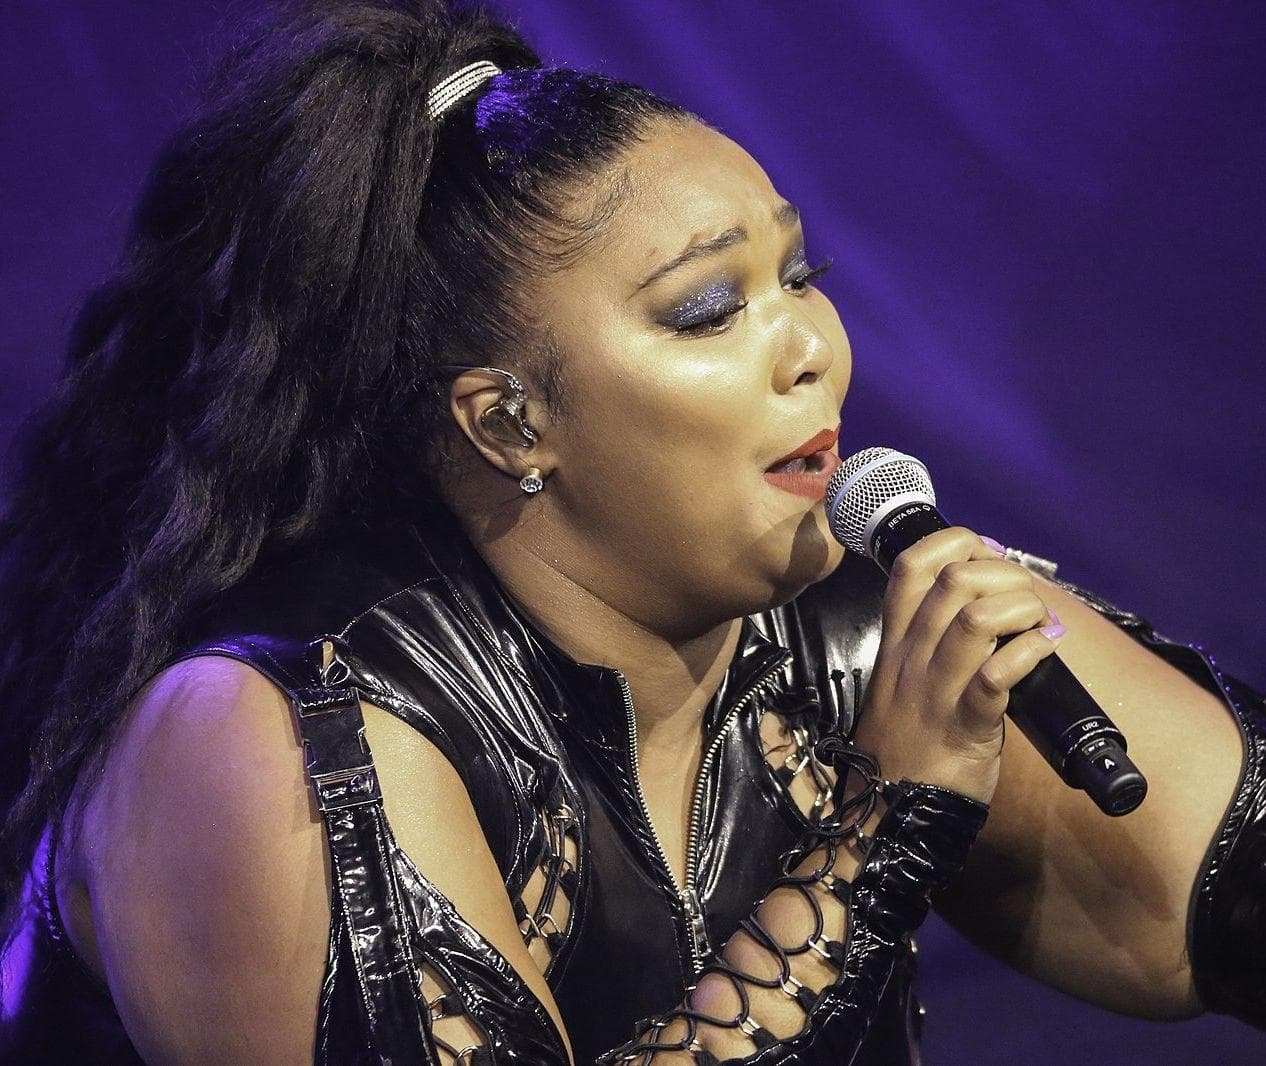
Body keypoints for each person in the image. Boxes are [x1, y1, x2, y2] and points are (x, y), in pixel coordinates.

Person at [0, 2, 1263, 1062]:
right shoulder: (268, 733)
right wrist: (880, 829)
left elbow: (1215, 892)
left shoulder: (859, 630)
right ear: (508, 421)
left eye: (800, 276)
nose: (810, 348)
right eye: (709, 310)